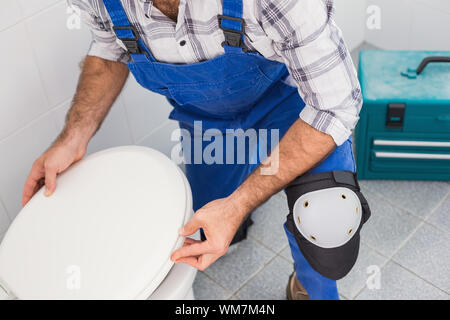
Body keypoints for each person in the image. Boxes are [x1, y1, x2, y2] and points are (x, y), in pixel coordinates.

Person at [22, 0, 370, 300]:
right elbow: (109, 49)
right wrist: (72, 137)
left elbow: (334, 106)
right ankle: (236, 222)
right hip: (208, 123)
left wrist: (238, 204)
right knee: (203, 225)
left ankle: (309, 288)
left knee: (327, 220)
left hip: (294, 107)